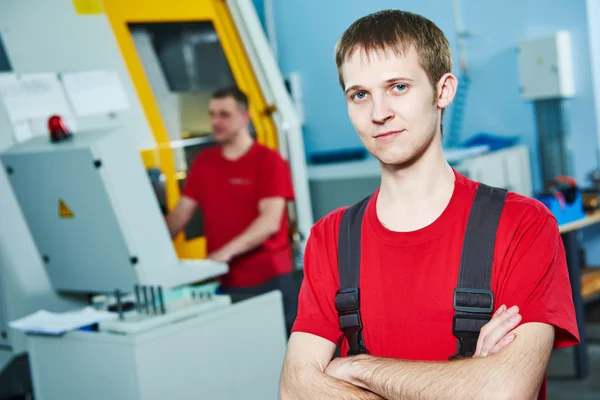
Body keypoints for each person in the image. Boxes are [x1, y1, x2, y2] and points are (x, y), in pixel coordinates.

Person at [279, 9, 579, 400]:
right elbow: (296, 390)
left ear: (443, 91)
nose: (379, 113)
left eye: (398, 87)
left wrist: (357, 367)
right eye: (360, 94)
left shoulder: (522, 224)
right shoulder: (330, 239)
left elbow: (504, 391)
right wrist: (469, 377)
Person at [165, 87, 298, 333]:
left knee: (283, 361)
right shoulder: (204, 163)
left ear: (244, 117)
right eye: (212, 114)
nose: (215, 121)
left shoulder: (268, 161)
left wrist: (223, 253)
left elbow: (269, 222)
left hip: (267, 280)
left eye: (224, 115)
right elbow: (180, 215)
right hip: (225, 282)